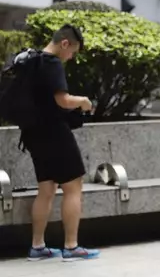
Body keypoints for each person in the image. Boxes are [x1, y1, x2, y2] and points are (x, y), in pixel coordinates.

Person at [24, 24, 100, 261]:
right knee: (73, 186)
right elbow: (63, 100)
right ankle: (71, 246)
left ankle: (37, 247)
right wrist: (84, 101)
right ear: (64, 43)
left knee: (46, 189)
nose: (71, 58)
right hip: (55, 133)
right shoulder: (52, 63)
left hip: (34, 134)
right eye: (72, 52)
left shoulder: (32, 60)